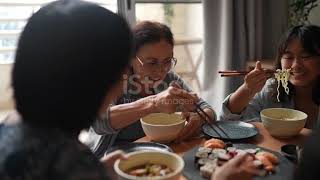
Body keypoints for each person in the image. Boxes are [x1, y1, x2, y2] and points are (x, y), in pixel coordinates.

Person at [0, 0, 133, 179]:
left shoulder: (9, 125)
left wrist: (97, 170)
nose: (121, 87)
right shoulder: (71, 160)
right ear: (90, 86)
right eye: (120, 75)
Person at [86, 21, 216, 158]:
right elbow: (98, 122)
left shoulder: (170, 79)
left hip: (158, 153)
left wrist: (199, 119)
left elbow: (208, 110)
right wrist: (153, 103)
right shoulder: (116, 79)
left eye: (167, 61)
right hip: (113, 158)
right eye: (152, 63)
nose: (161, 71)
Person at [220, 25, 320, 129]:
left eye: (306, 56)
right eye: (288, 57)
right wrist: (247, 89)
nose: (296, 66)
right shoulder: (273, 88)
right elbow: (228, 120)